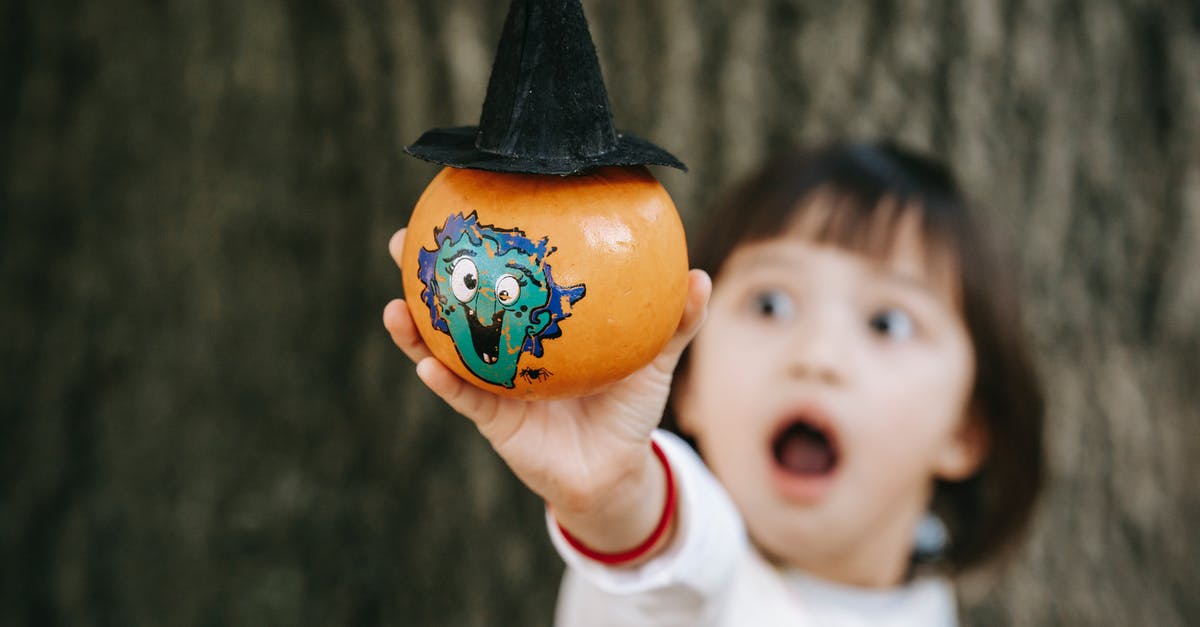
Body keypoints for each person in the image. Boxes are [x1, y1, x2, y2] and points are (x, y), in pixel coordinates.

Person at [383, 141, 1044, 626]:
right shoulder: (666, 580)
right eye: (771, 305)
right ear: (689, 383)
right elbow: (682, 556)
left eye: (888, 322)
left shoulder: (925, 599)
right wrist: (613, 498)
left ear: (964, 428)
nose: (816, 355)